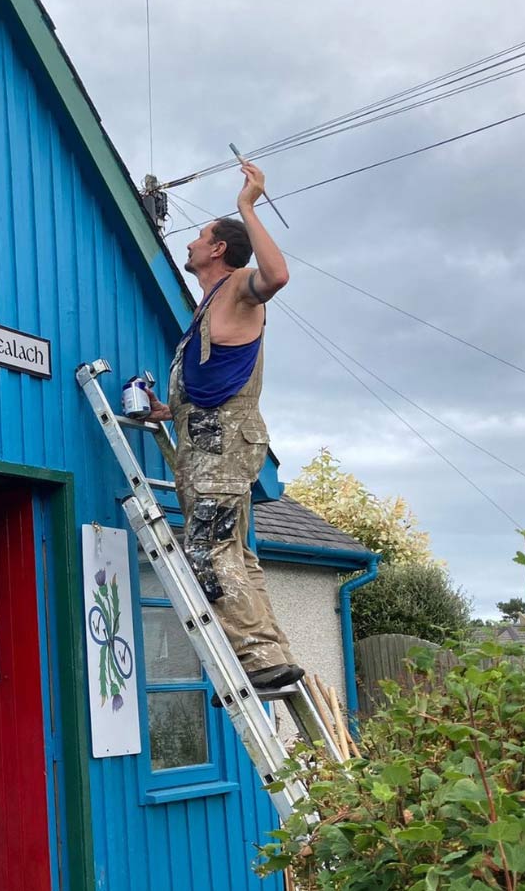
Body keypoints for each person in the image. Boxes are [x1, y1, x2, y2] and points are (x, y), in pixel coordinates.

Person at [145, 161, 303, 700]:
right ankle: (268, 659)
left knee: (206, 551)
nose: (189, 243)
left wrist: (247, 207)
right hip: (206, 438)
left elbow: (277, 275)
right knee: (236, 556)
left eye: (198, 237)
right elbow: (215, 382)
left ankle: (254, 659)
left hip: (223, 446)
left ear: (218, 249)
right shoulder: (208, 306)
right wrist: (166, 410)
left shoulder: (238, 286)